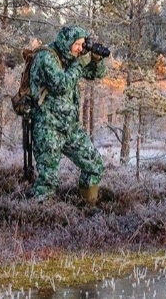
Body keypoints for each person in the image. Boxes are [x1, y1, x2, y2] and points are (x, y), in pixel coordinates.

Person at [28, 25, 108, 204]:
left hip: (69, 128)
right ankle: (34, 220)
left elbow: (96, 74)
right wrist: (80, 62)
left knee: (94, 164)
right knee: (48, 181)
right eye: (77, 44)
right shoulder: (46, 58)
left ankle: (88, 208)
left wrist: (95, 60)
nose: (80, 49)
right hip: (48, 128)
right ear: (67, 42)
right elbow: (61, 84)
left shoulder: (70, 58)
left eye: (82, 44)